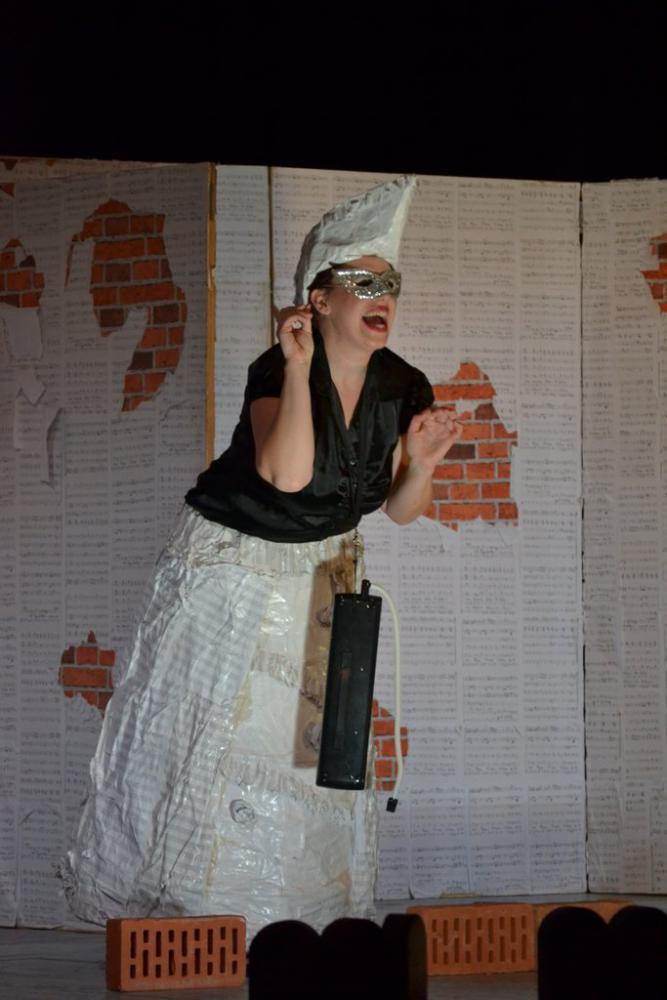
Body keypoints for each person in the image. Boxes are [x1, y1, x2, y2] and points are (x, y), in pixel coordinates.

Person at [58, 177, 462, 939]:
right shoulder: (276, 370)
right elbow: (285, 474)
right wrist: (300, 369)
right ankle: (198, 918)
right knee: (219, 736)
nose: (380, 298)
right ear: (320, 300)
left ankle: (297, 919)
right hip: (235, 568)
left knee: (308, 745)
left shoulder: (403, 384)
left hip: (322, 574)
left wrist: (425, 464)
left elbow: (401, 509)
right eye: (361, 283)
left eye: (389, 285)